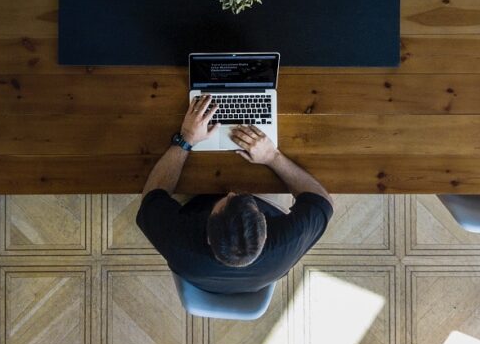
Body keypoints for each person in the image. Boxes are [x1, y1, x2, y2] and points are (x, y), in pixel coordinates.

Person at [136, 95, 334, 293]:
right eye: (239, 199)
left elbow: (152, 196)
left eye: (226, 201)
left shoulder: (177, 244)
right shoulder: (287, 243)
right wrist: (272, 156)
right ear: (266, 230)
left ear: (207, 235)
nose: (231, 192)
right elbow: (323, 201)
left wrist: (186, 138)